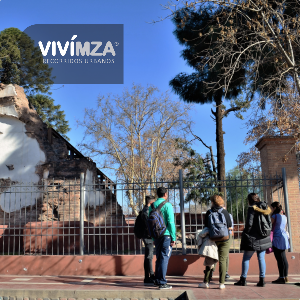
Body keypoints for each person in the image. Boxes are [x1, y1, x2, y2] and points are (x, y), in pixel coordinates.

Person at [234, 193, 272, 287]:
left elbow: (249, 223)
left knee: (246, 258)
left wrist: (245, 232)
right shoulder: (265, 207)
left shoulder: (252, 208)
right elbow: (269, 222)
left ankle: (243, 279)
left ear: (250, 200)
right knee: (261, 258)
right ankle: (262, 280)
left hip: (252, 237)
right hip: (263, 236)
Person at [198, 195, 232, 290]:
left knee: (211, 259)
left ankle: (206, 282)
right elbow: (229, 225)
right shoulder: (224, 211)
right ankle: (221, 283)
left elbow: (206, 226)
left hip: (212, 239)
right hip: (225, 239)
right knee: (223, 260)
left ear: (212, 202)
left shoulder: (209, 212)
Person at [148, 187, 176, 290]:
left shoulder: (152, 205)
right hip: (166, 235)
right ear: (165, 194)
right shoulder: (167, 205)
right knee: (164, 258)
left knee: (159, 258)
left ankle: (157, 280)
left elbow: (150, 223)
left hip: (156, 235)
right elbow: (171, 222)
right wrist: (173, 237)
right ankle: (162, 282)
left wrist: (153, 237)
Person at [270, 201, 290, 284]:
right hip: (284, 238)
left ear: (274, 208)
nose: (271, 209)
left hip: (277, 239)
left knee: (279, 259)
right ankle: (285, 276)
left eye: (271, 208)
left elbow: (269, 225)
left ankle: (281, 277)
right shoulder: (284, 216)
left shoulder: (274, 216)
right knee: (283, 257)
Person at [141, 195, 156, 285]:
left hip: (146, 236)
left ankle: (147, 277)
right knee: (149, 257)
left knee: (147, 257)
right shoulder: (147, 211)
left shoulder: (144, 210)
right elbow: (149, 225)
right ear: (151, 203)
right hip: (148, 237)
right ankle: (152, 275)